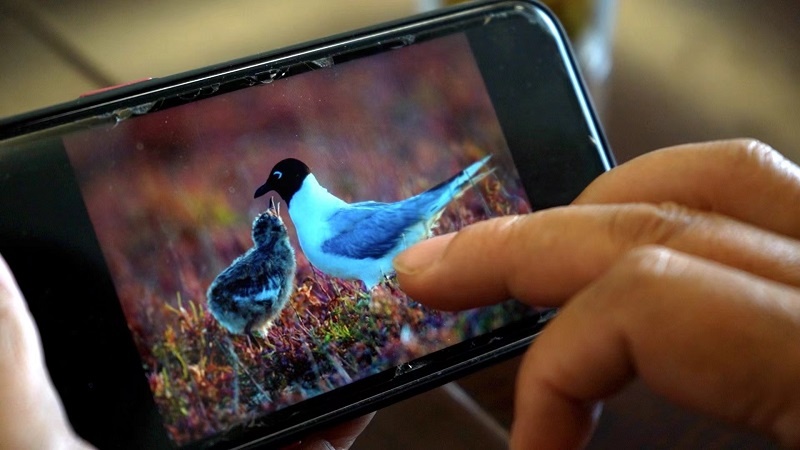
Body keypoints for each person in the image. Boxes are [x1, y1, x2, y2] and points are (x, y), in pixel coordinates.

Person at [1, 140, 798, 449]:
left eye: (276, 181)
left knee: (387, 274)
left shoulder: (322, 225)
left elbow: (378, 245)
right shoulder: (311, 224)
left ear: (289, 183)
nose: (271, 190)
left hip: (390, 238)